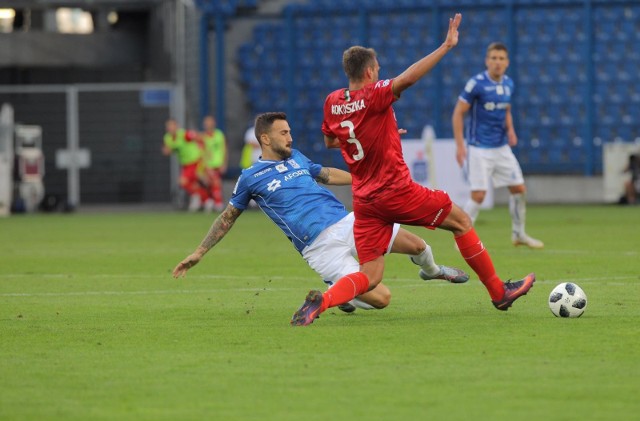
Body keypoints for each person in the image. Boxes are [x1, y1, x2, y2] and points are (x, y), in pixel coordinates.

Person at [290, 13, 535, 326]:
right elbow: (407, 79)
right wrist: (446, 46)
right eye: (378, 70)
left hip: (365, 202)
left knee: (371, 275)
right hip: (395, 190)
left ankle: (321, 302)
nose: (380, 74)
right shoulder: (374, 95)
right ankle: (499, 292)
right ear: (369, 71)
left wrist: (381, 135)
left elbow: (331, 141)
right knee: (461, 221)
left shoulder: (332, 101)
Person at [172, 112, 469, 313]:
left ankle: (433, 272)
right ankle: (339, 290)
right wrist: (199, 252)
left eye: (290, 132)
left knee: (418, 246)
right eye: (283, 133)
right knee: (382, 299)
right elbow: (227, 217)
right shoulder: (250, 177)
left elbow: (325, 174)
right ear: (265, 139)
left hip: (348, 222)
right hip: (318, 246)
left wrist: (364, 178)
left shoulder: (298, 158)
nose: (290, 138)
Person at [452, 42, 544, 249]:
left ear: (507, 62)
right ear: (487, 61)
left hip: (501, 147)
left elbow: (506, 109)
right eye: (493, 58)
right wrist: (460, 146)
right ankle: (462, 238)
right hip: (479, 147)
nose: (497, 62)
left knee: (519, 189)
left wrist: (510, 130)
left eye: (501, 58)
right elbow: (458, 112)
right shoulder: (476, 84)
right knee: (479, 195)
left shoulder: (509, 83)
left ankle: (519, 233)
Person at [162, 118, 208, 212]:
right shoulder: (167, 138)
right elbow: (169, 149)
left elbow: (199, 137)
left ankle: (198, 198)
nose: (170, 128)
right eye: (168, 126)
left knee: (182, 182)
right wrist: (166, 151)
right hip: (186, 164)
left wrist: (203, 150)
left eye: (172, 125)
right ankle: (206, 200)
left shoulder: (184, 134)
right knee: (194, 184)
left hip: (195, 161)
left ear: (177, 126)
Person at [201, 115, 228, 212]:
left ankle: (210, 201)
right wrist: (205, 166)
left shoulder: (219, 134)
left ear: (214, 123)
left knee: (214, 183)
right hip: (208, 165)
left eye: (210, 122)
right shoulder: (202, 137)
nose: (208, 124)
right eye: (206, 122)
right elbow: (202, 153)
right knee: (214, 182)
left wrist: (224, 163)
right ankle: (217, 203)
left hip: (218, 164)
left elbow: (224, 149)